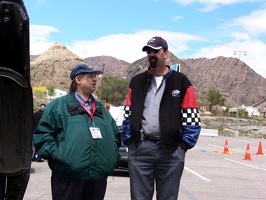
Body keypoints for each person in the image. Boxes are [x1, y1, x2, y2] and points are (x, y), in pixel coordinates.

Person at [122, 36, 201, 200]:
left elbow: (192, 119)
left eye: (155, 51)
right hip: (140, 150)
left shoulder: (181, 82)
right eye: (148, 51)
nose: (151, 54)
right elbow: (128, 115)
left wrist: (183, 146)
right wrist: (130, 141)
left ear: (166, 53)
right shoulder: (136, 82)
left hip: (171, 152)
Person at [33, 64, 121, 200]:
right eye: (90, 76)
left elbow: (115, 136)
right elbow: (43, 134)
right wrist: (58, 156)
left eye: (95, 76)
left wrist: (112, 157)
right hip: (67, 178)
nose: (95, 79)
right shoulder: (58, 106)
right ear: (78, 80)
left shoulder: (101, 109)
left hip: (97, 179)